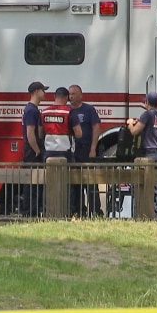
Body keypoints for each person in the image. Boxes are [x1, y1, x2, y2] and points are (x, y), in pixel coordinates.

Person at [129, 92, 157, 218]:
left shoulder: (147, 114)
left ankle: (142, 214)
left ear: (146, 102)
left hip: (150, 154)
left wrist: (130, 123)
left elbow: (135, 131)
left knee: (144, 185)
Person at [68, 85, 103, 217]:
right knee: (74, 182)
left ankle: (96, 211)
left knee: (90, 182)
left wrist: (93, 148)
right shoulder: (67, 110)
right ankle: (78, 210)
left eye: (74, 94)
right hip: (72, 151)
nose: (71, 97)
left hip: (86, 149)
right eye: (70, 94)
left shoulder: (88, 109)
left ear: (81, 95)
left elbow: (96, 128)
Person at [20, 81, 47, 217]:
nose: (45, 93)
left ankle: (32, 210)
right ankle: (30, 211)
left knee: (34, 183)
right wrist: (37, 150)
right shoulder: (32, 110)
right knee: (32, 184)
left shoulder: (31, 109)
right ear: (36, 92)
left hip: (30, 150)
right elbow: (30, 133)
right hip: (31, 152)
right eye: (43, 90)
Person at [41, 87, 82, 160]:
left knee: (50, 171)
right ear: (66, 97)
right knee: (67, 171)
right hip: (66, 152)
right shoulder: (70, 112)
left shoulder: (44, 112)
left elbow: (40, 133)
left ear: (54, 96)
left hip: (48, 151)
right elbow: (78, 134)